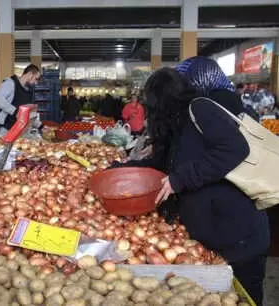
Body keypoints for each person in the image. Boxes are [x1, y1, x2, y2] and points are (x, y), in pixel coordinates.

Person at [114, 66, 269, 305]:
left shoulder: (200, 109)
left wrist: (180, 179)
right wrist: (122, 168)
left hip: (239, 234)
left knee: (244, 296)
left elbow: (236, 149)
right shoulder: (177, 124)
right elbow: (164, 162)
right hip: (211, 238)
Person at [0, 64, 43, 137]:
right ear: (30, 74)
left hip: (17, 130)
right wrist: (15, 111)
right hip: (2, 129)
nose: (36, 82)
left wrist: (41, 126)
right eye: (36, 78)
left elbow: (28, 114)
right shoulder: (11, 83)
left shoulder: (29, 92)